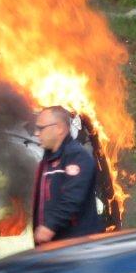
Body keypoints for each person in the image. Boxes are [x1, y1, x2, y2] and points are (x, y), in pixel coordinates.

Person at [31, 105, 101, 245]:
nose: (36, 133)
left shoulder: (77, 157)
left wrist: (49, 227)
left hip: (77, 248)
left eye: (41, 128)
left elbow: (72, 198)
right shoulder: (47, 162)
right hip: (53, 248)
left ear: (59, 128)